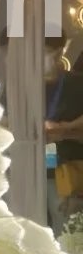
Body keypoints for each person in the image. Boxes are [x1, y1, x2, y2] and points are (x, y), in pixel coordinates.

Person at [43, 32, 83, 222]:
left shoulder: (77, 84)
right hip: (32, 171)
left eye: (44, 52)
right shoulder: (23, 86)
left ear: (59, 53)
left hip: (67, 173)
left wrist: (65, 130)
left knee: (64, 229)